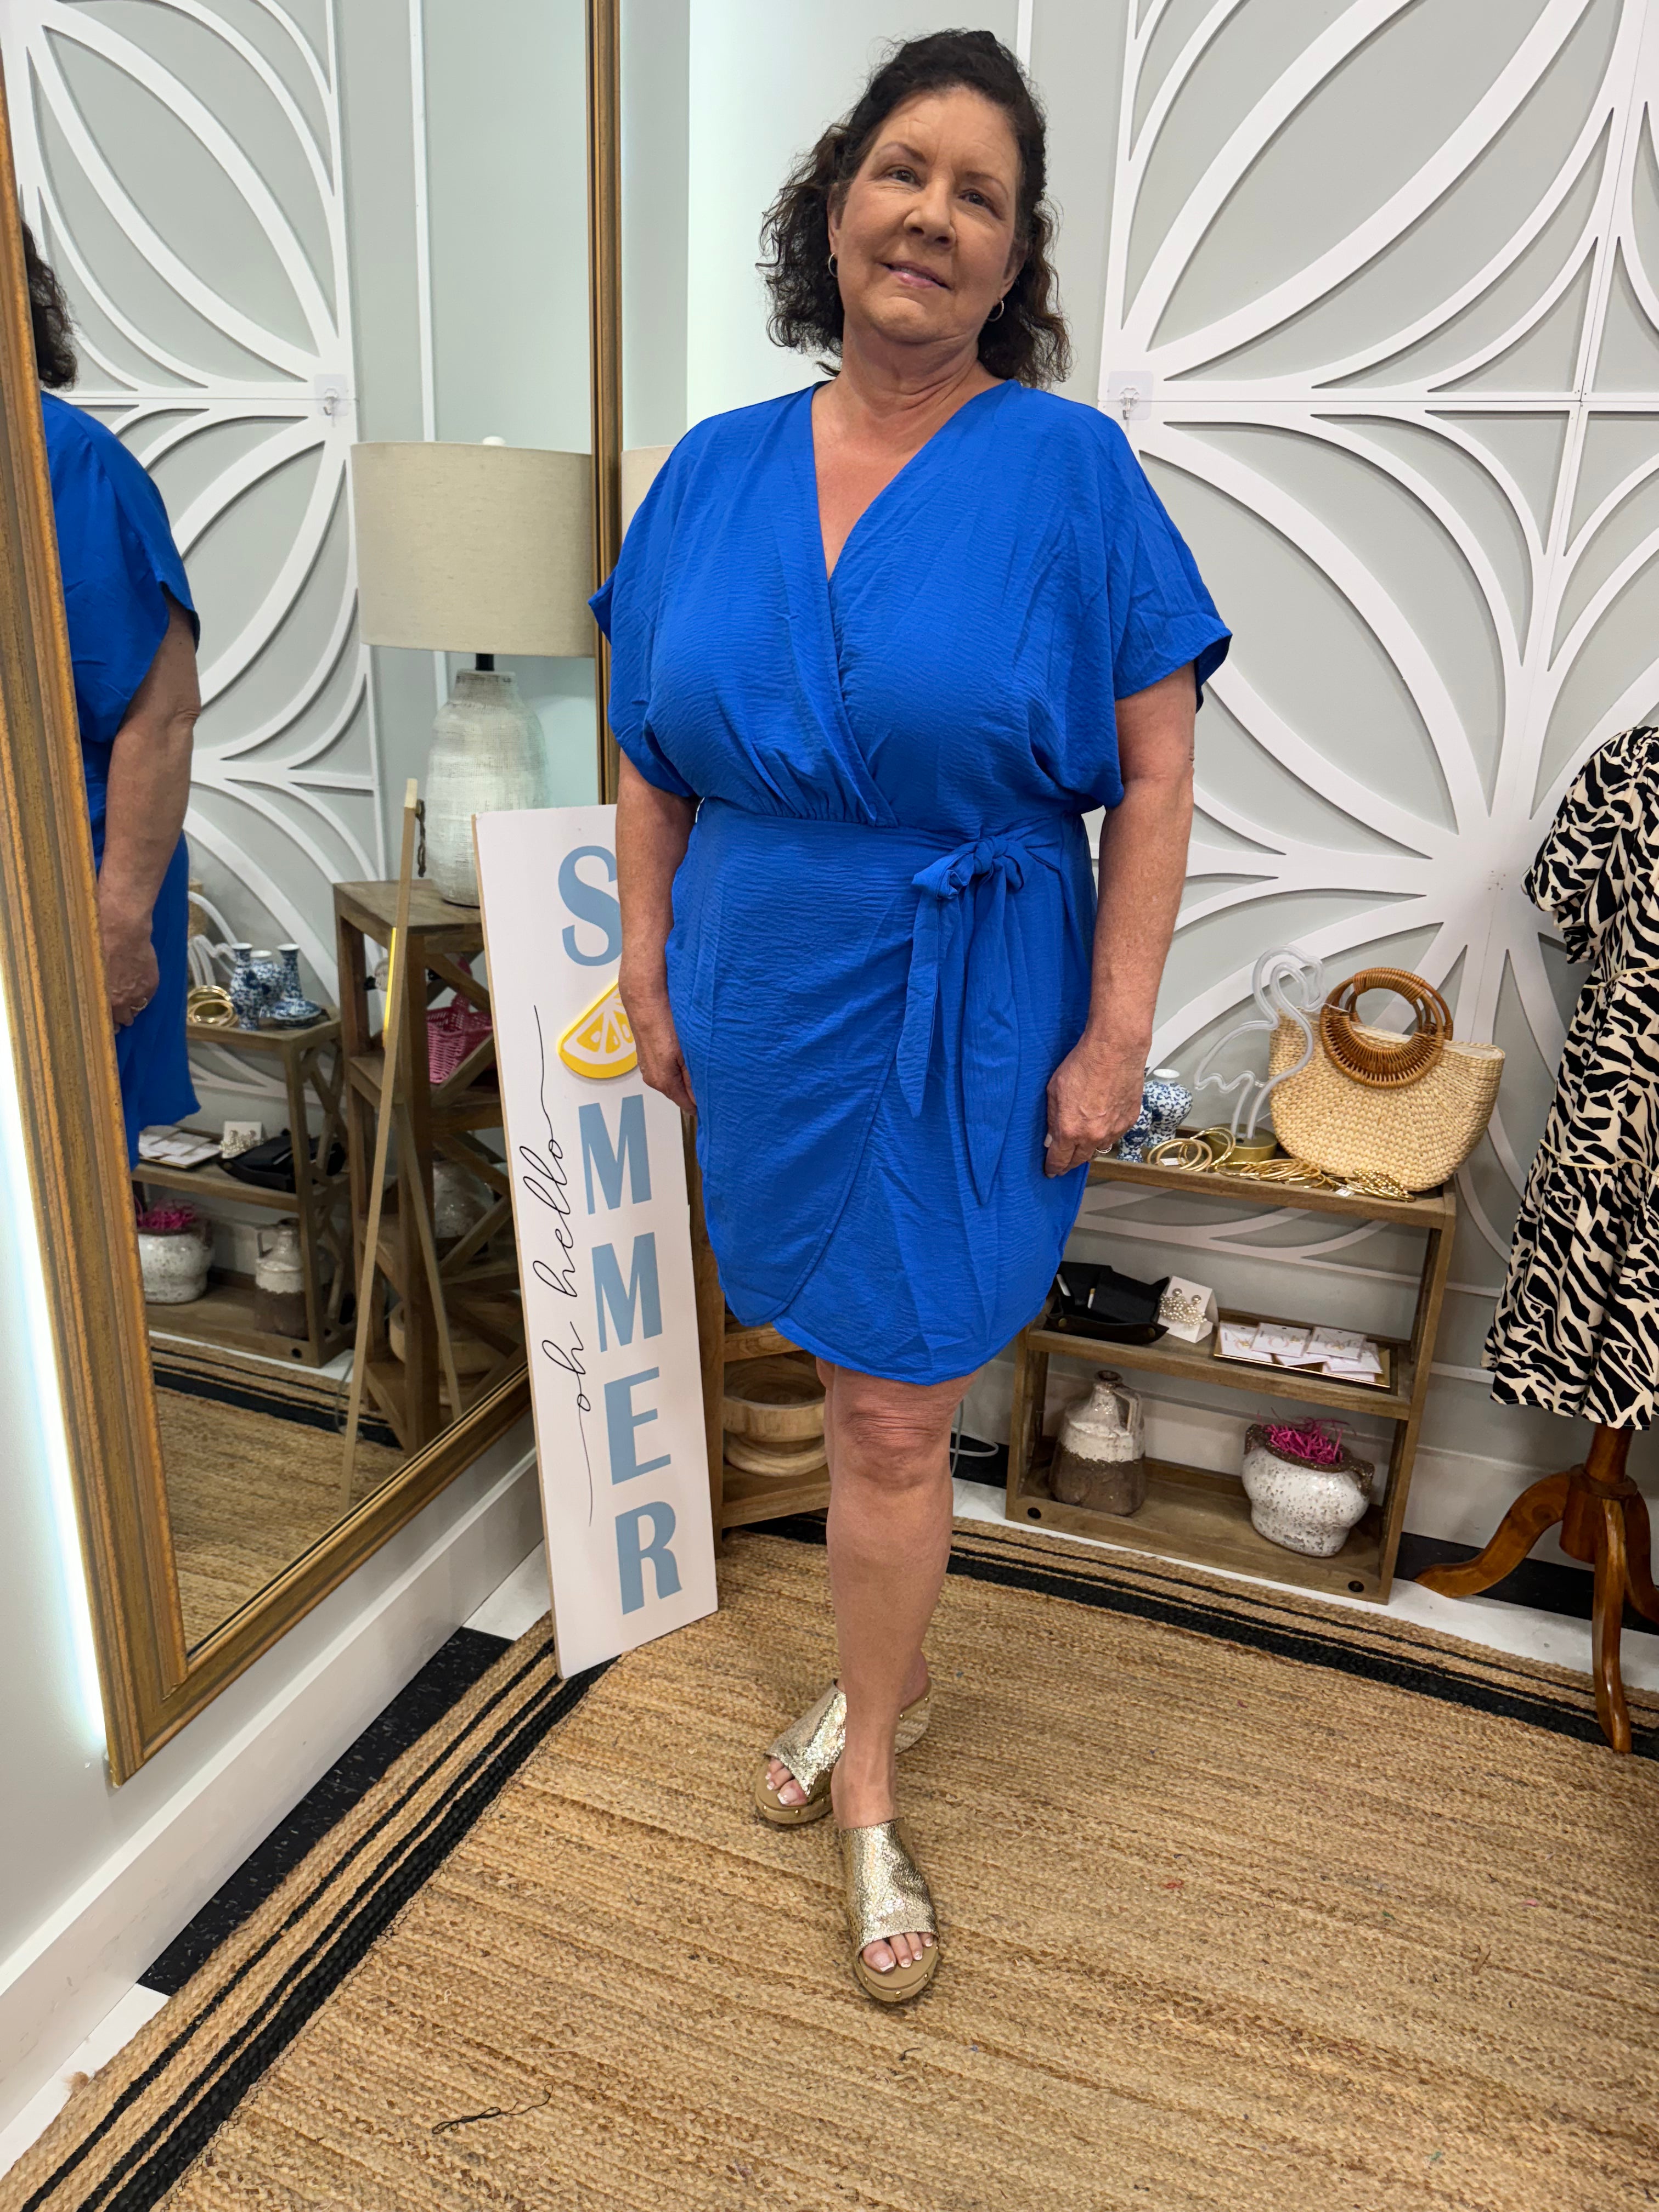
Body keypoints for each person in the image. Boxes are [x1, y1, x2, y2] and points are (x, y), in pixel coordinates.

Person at [597, 31, 1228, 2004]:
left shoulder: (1069, 473)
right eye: (903, 171)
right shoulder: (708, 472)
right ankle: (896, 1666)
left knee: (889, 1408)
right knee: (825, 1346)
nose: (932, 216)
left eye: (980, 195)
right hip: (763, 986)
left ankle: (869, 1765)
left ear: (1013, 257)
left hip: (975, 999)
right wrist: (643, 954)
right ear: (835, 200)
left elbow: (1157, 772)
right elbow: (647, 749)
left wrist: (1116, 1030)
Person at [26, 222, 200, 1165]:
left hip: (75, 885)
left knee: (66, 1167)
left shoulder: (70, 461)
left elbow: (161, 713)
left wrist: (119, 922)